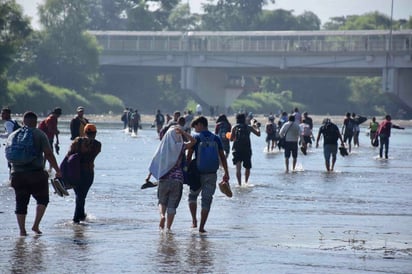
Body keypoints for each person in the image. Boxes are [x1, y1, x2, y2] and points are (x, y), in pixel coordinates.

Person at [7, 111, 61, 236]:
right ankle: (35, 226)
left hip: (17, 175)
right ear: (36, 122)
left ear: (23, 122)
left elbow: (9, 156)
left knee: (21, 203)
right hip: (36, 174)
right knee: (43, 200)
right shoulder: (39, 134)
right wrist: (58, 170)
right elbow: (48, 153)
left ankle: (22, 231)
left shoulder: (13, 135)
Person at [148, 118, 196, 231]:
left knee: (162, 201)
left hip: (164, 178)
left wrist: (149, 176)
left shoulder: (163, 149)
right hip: (177, 179)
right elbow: (194, 141)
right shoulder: (181, 146)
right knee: (172, 205)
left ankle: (162, 216)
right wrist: (183, 132)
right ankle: (168, 228)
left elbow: (154, 162)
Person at [187, 116, 229, 233]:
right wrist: (226, 172)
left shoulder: (196, 138)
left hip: (197, 173)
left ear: (200, 124)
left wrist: (186, 169)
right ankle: (201, 227)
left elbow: (189, 155)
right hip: (211, 174)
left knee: (192, 196)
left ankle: (194, 220)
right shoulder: (216, 139)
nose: (195, 129)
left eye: (195, 126)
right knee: (206, 200)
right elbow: (222, 157)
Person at [66, 123, 101, 223]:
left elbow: (69, 155)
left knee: (79, 195)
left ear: (84, 132)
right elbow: (91, 156)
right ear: (95, 133)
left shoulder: (77, 141)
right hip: (88, 173)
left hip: (75, 172)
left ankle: (80, 215)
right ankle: (76, 219)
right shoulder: (98, 144)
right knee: (82, 195)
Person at [229, 113, 260, 185]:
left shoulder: (234, 127)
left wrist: (231, 136)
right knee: (247, 167)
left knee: (238, 169)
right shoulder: (249, 127)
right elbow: (258, 134)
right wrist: (257, 127)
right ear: (244, 119)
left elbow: (231, 139)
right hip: (247, 149)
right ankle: (246, 182)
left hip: (237, 150)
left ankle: (239, 184)